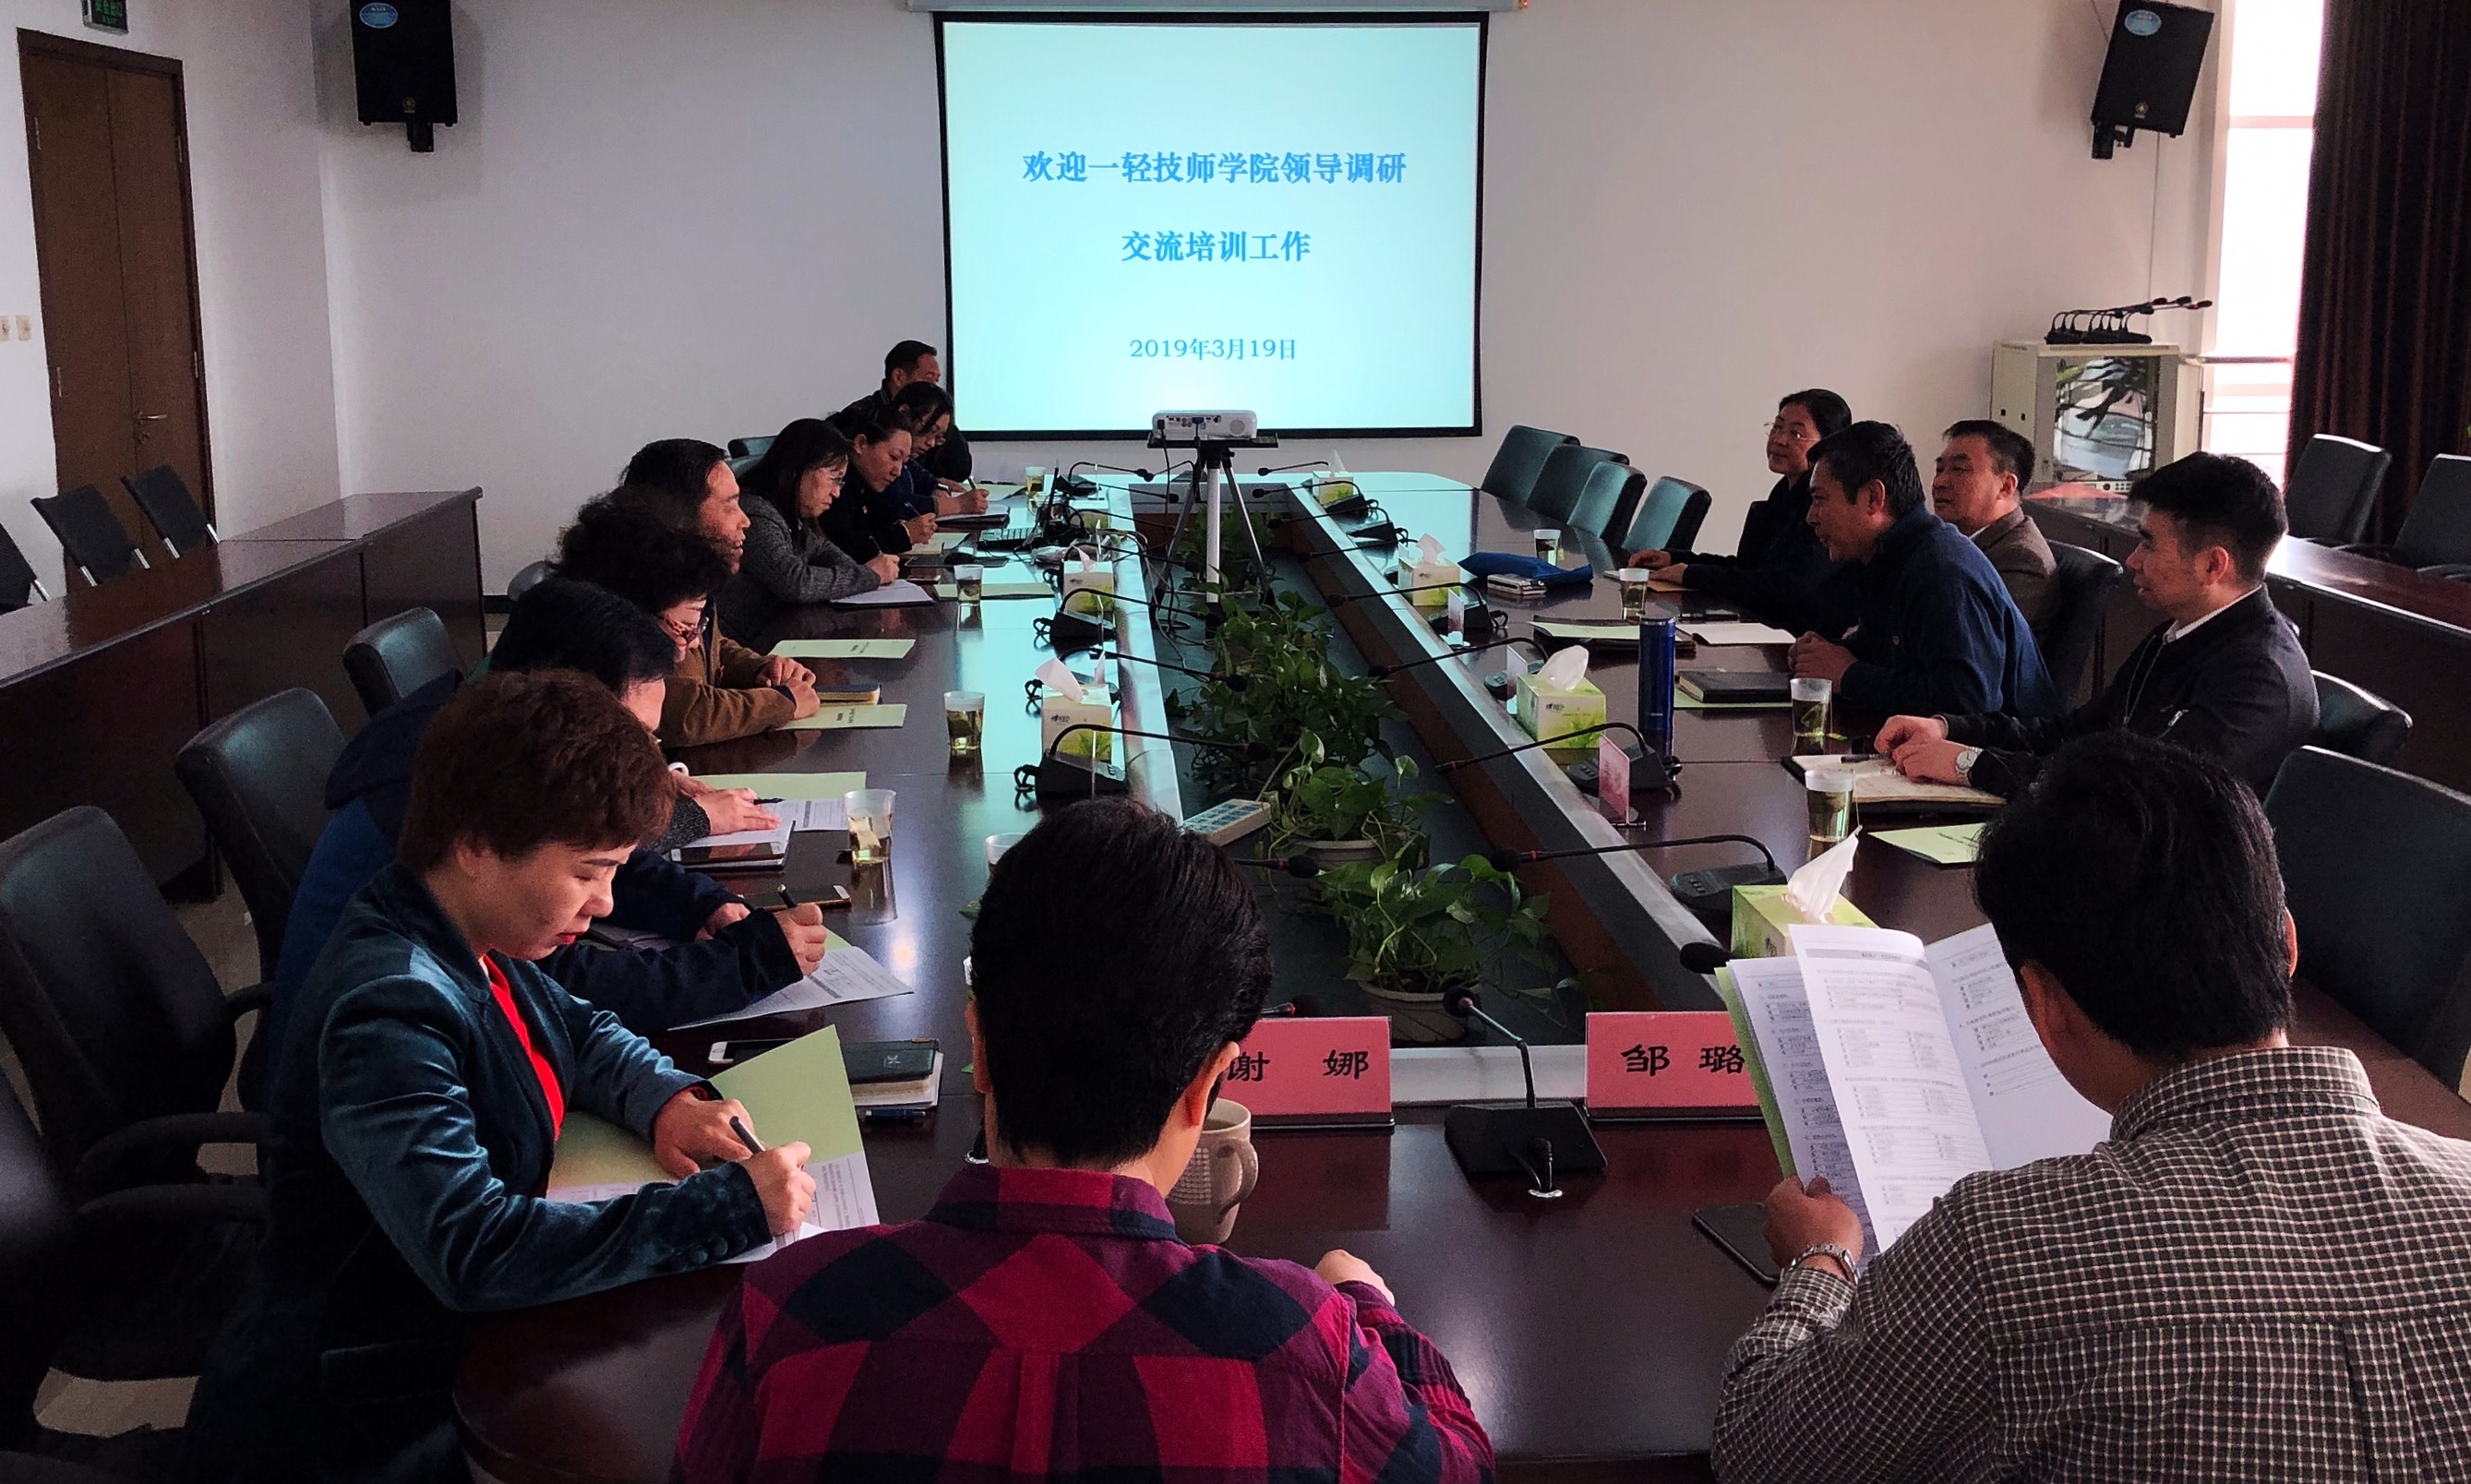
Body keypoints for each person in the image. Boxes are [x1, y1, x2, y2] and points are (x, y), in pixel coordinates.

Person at [1710, 731, 2471, 1482]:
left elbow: (1759, 1452)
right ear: (2286, 943)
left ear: (2043, 1007)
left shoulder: (1998, 1252)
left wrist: (1821, 1261)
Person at [671, 799, 1495, 1484]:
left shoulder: (789, 1311)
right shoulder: (1303, 1345)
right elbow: (1462, 1465)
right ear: (1209, 1083)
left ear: (979, 1043)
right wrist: (1369, 1311)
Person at [189, 671, 819, 1484]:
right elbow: (475, 1251)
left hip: (451, 1354)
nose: (604, 903)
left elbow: (577, 1029)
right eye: (588, 872)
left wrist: (665, 1099)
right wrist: (724, 1210)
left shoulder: (462, 929)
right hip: (361, 1412)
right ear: (477, 844)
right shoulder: (390, 1006)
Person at [268, 578, 827, 1080]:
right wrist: (744, 963)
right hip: (363, 1091)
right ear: (563, 706)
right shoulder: (448, 799)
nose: (648, 758)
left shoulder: (489, 745)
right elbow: (561, 986)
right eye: (631, 733)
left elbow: (586, 865)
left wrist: (700, 904)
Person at [1876, 451, 2318, 798]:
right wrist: (1949, 729)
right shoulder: (2178, 634)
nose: (2133, 560)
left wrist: (1969, 765)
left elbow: (2133, 794)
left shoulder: (2259, 678)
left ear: (2212, 565)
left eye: (2149, 545)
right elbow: (2073, 735)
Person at [1788, 421, 2058, 720]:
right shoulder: (1889, 555)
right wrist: (1825, 654)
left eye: (1820, 499)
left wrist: (1849, 675)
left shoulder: (1942, 572)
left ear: (1873, 498)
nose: (1811, 517)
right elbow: (1887, 651)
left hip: (2001, 746)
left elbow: (1967, 703)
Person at [601, 446, 822, 743]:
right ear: (680, 515)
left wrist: (760, 668)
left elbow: (715, 646)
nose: (745, 520)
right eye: (730, 505)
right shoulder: (642, 593)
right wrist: (783, 701)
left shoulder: (694, 577)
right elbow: (685, 715)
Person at [1628, 389, 1853, 633]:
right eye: (1777, 428)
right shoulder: (1784, 491)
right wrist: (1677, 559)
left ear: (1828, 444)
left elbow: (1785, 585)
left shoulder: (1826, 506)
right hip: (1763, 625)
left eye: (1796, 433)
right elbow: (1749, 568)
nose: (1779, 440)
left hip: (1801, 638)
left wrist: (1691, 574)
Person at [719, 418, 897, 641]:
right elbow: (796, 583)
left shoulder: (790, 512)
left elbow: (822, 549)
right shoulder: (755, 514)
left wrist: (861, 572)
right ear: (800, 469)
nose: (836, 493)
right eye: (834, 479)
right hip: (746, 643)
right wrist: (869, 575)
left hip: (780, 632)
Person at [1931, 419, 2057, 639]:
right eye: (1940, 469)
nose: (1940, 482)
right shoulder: (1948, 540)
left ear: (2006, 486)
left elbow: (1971, 643)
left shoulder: (2021, 559)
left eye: (1959, 469)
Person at [843, 338, 971, 485]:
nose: (933, 388)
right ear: (899, 377)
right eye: (928, 379)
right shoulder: (860, 418)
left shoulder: (931, 419)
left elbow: (960, 469)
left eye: (936, 381)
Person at [818, 404, 925, 562]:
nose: (898, 471)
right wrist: (903, 535)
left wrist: (900, 523)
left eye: (904, 462)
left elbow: (878, 519)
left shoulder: (864, 481)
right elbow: (843, 549)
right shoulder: (835, 486)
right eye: (894, 457)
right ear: (861, 443)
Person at [884, 379, 987, 519]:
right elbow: (890, 503)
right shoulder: (879, 450)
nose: (931, 443)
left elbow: (928, 481)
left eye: (938, 437)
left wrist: (939, 488)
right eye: (930, 431)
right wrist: (957, 505)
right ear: (904, 413)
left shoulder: (907, 462)